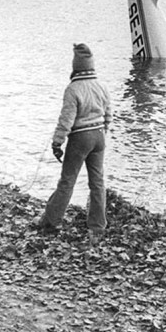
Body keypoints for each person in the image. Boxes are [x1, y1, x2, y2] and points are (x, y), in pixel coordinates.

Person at [35, 43, 111, 245]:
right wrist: (104, 129)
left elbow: (66, 120)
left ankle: (51, 222)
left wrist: (57, 142)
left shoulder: (73, 89)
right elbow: (109, 114)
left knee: (67, 180)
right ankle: (97, 228)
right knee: (97, 182)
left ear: (75, 67)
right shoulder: (102, 86)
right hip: (99, 136)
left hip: (80, 138)